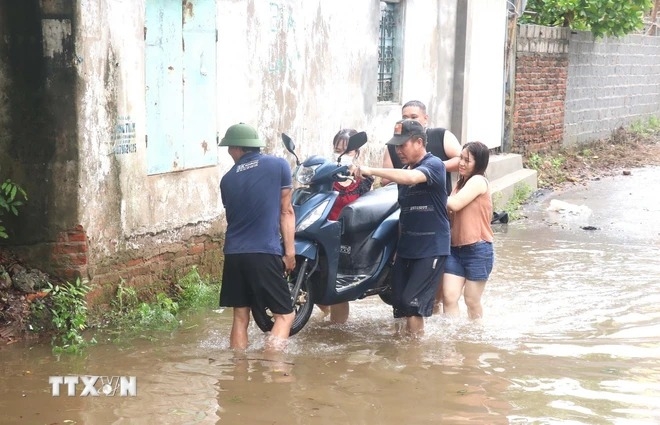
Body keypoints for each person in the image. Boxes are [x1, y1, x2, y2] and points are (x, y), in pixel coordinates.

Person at [355, 119, 450, 336]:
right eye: (396, 146)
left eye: (402, 145)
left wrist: (371, 169)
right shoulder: (405, 171)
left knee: (412, 303)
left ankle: (414, 357)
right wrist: (396, 251)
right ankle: (400, 346)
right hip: (407, 247)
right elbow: (404, 215)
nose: (398, 150)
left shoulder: (434, 165)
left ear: (418, 142)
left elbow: (411, 178)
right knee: (397, 302)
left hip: (431, 247)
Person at [218, 122, 296, 351]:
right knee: (285, 315)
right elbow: (286, 210)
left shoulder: (227, 179)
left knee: (241, 318)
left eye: (229, 149)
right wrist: (290, 252)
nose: (229, 154)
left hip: (233, 254)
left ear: (236, 149)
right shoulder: (278, 165)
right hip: (263, 250)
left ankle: (238, 370)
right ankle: (271, 369)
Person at [317, 129, 374, 324]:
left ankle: (336, 331)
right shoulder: (326, 176)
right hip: (323, 234)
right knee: (315, 281)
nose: (340, 154)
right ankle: (323, 313)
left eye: (346, 150)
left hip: (348, 239)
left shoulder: (364, 179)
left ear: (356, 153)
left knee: (337, 291)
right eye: (336, 149)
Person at [441, 141, 494, 319]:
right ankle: (453, 339)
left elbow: (455, 204)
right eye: (460, 159)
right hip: (454, 250)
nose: (461, 163)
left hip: (478, 250)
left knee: (471, 301)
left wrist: (431, 192)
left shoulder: (478, 181)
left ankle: (475, 337)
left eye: (467, 160)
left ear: (478, 164)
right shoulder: (459, 184)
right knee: (448, 298)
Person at [381, 100, 462, 196]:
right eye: (405, 118)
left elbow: (462, 161)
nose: (409, 121)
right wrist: (404, 177)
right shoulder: (392, 145)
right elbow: (386, 181)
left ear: (425, 118)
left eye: (414, 117)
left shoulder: (441, 135)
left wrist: (432, 169)